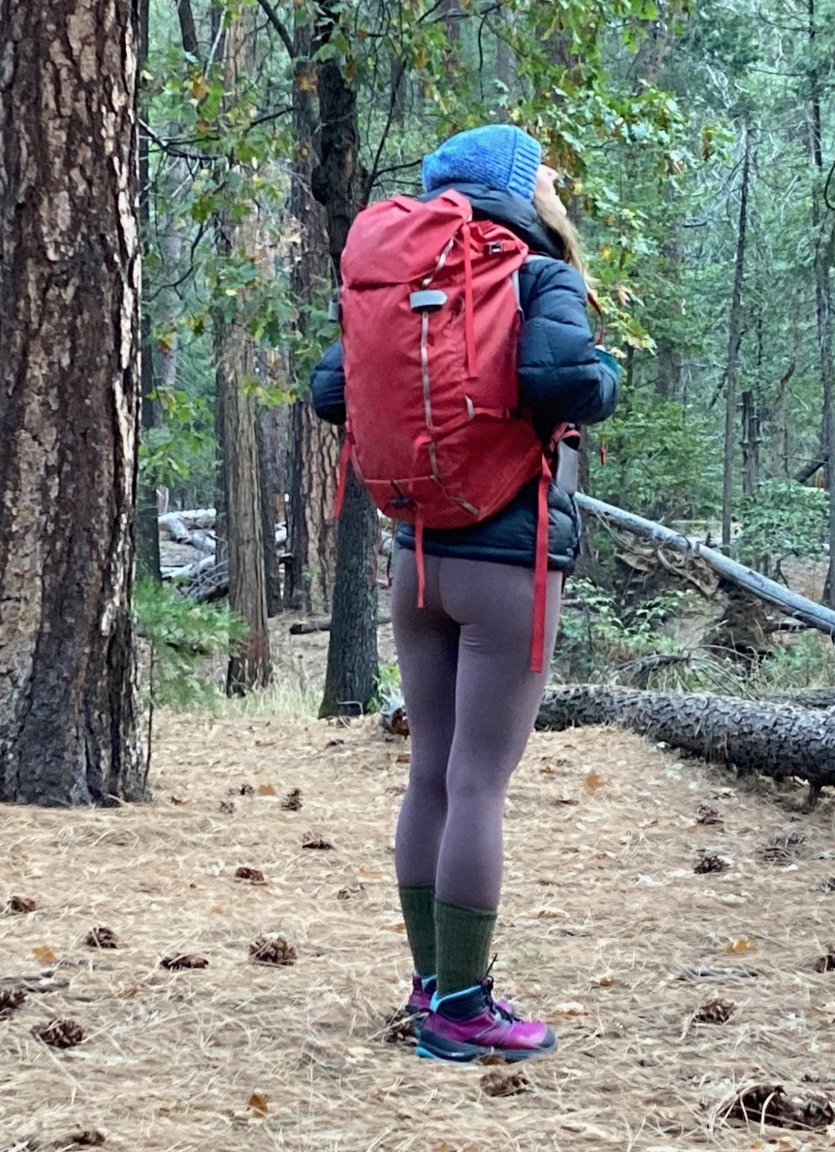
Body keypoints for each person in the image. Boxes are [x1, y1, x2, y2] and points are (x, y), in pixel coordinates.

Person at [309, 124, 619, 1063]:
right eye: (544, 178)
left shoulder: (398, 279)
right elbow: (564, 379)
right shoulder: (535, 274)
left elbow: (332, 392)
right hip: (506, 560)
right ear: (519, 191)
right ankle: (461, 1010)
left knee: (432, 774)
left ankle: (432, 984)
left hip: (418, 557)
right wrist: (605, 376)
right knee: (480, 781)